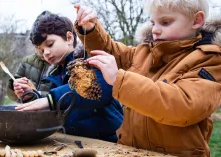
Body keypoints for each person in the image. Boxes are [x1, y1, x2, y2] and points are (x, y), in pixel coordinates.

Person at [74, 0, 221, 156]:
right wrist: (90, 30)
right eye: (153, 23)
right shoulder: (145, 52)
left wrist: (119, 79)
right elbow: (111, 52)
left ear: (197, 20)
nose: (155, 30)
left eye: (165, 22)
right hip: (129, 151)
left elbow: (183, 105)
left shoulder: (210, 60)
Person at [15, 12, 123, 142]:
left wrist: (51, 99)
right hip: (74, 141)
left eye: (49, 44)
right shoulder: (53, 75)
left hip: (108, 141)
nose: (46, 53)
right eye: (42, 51)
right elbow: (54, 106)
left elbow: (101, 88)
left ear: (69, 37)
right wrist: (31, 96)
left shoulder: (89, 58)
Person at [7, 11, 52, 103]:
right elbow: (12, 95)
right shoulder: (27, 62)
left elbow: (63, 96)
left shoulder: (59, 62)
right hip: (28, 112)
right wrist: (15, 86)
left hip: (52, 113)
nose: (41, 51)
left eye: (47, 45)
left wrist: (35, 94)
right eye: (37, 46)